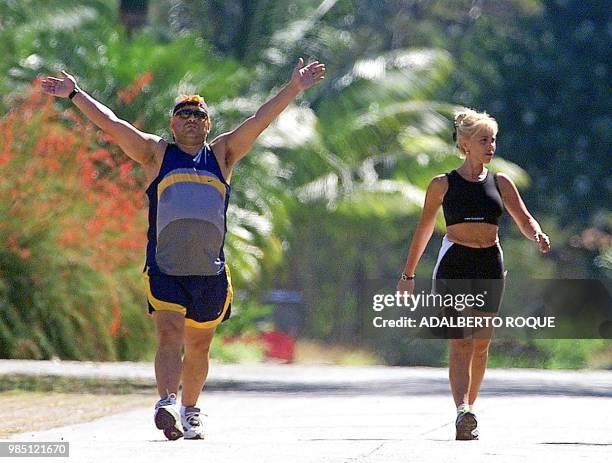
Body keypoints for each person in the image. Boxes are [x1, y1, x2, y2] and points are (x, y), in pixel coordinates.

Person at [41, 58, 326, 440]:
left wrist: (294, 87)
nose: (191, 119)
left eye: (199, 115)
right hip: (165, 268)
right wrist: (75, 94)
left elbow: (260, 120)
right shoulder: (156, 154)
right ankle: (166, 403)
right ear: (172, 124)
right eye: (184, 115)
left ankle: (191, 410)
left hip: (210, 272)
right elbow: (112, 125)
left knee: (198, 346)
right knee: (169, 334)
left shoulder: (223, 154)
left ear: (208, 125)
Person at [397, 108, 550, 440]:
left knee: (481, 344)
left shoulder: (501, 182)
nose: (491, 146)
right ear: (465, 144)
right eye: (484, 140)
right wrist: (408, 275)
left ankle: (469, 412)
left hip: (489, 263)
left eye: (493, 140)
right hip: (455, 262)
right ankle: (462, 410)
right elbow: (424, 229)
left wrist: (536, 233)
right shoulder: (442, 184)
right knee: (460, 342)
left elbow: (523, 218)